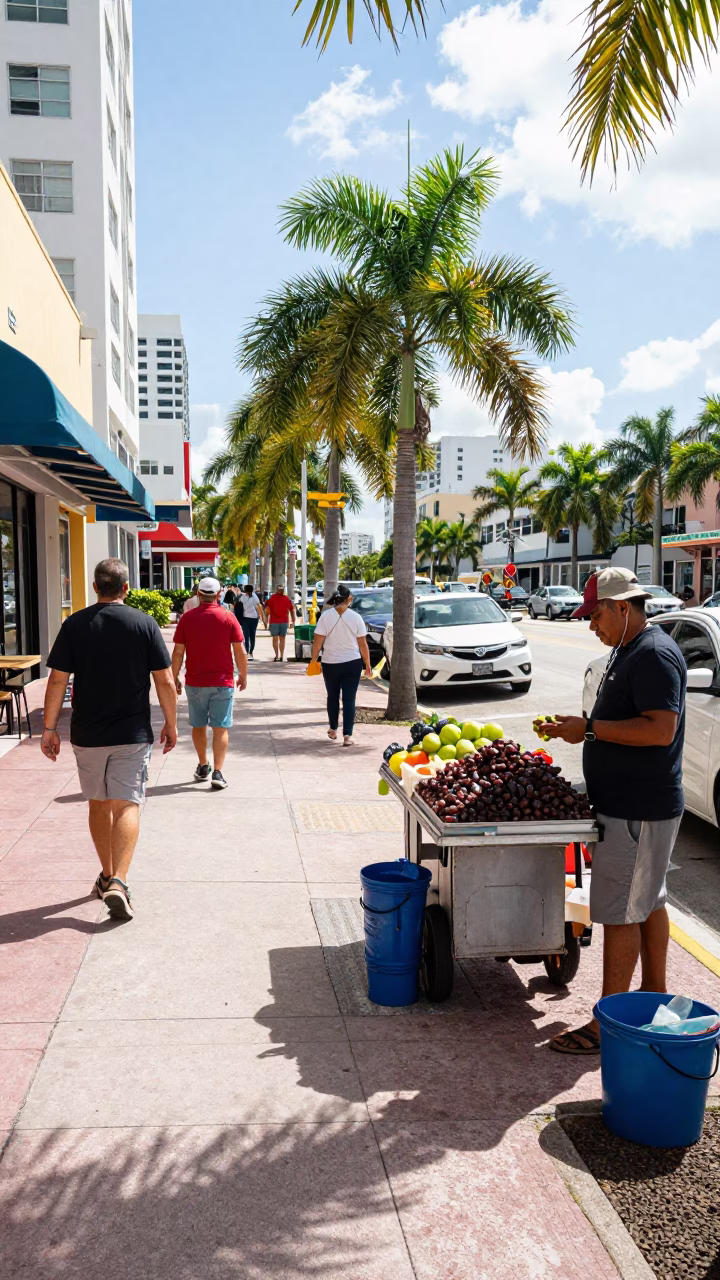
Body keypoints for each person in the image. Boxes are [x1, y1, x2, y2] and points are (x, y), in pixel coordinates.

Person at [542, 567, 687, 1056]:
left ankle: (607, 1023)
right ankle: (653, 994)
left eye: (596, 614)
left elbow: (659, 730)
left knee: (622, 911)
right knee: (649, 900)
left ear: (623, 607)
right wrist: (583, 730)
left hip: (637, 810)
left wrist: (588, 730)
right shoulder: (628, 650)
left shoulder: (653, 655)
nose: (590, 625)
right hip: (634, 807)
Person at [41, 558, 177, 922]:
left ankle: (106, 876)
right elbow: (164, 680)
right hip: (131, 734)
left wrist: (50, 727)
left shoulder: (75, 624)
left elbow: (57, 680)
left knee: (98, 804)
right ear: (126, 588)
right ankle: (118, 880)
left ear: (96, 587)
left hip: (87, 734)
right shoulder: (144, 624)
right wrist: (171, 723)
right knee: (128, 804)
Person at [171, 575, 247, 790]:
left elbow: (178, 651)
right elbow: (239, 650)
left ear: (198, 594)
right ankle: (218, 772)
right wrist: (243, 674)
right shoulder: (228, 617)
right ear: (219, 594)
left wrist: (173, 676)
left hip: (195, 682)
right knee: (220, 728)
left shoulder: (187, 618)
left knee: (198, 725)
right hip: (223, 682)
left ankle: (203, 765)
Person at [309, 585, 372, 745]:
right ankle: (347, 736)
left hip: (330, 663)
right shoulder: (356, 617)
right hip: (353, 663)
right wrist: (368, 664)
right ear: (349, 599)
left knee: (333, 697)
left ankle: (332, 728)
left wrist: (314, 659)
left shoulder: (325, 616)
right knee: (349, 699)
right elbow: (363, 644)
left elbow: (317, 641)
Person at [265, 583, 296, 662]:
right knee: (282, 639)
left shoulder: (272, 598)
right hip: (284, 622)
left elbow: (267, 609)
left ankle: (277, 655)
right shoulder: (286, 599)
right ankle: (281, 655)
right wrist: (293, 620)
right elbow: (292, 610)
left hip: (274, 621)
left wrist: (265, 619)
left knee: (275, 639)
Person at [234, 583, 265, 659]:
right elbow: (257, 603)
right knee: (248, 636)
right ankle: (248, 652)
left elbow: (257, 603)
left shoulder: (249, 596)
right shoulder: (245, 596)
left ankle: (250, 652)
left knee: (250, 635)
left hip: (251, 618)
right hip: (248, 618)